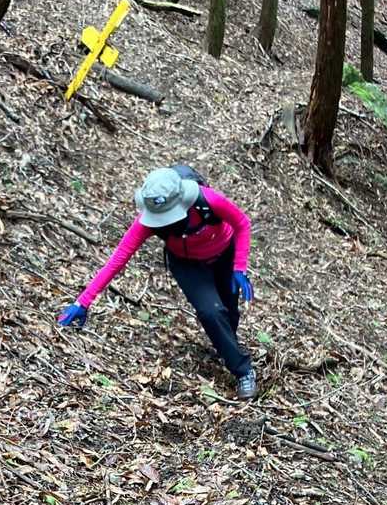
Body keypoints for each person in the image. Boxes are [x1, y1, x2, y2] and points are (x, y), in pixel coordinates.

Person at [57, 166, 258, 400]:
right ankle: (244, 371)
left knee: (229, 311)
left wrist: (240, 267)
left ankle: (226, 346)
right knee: (211, 312)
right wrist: (82, 302)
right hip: (188, 265)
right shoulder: (148, 221)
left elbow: (242, 223)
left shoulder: (208, 201)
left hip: (225, 254)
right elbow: (118, 258)